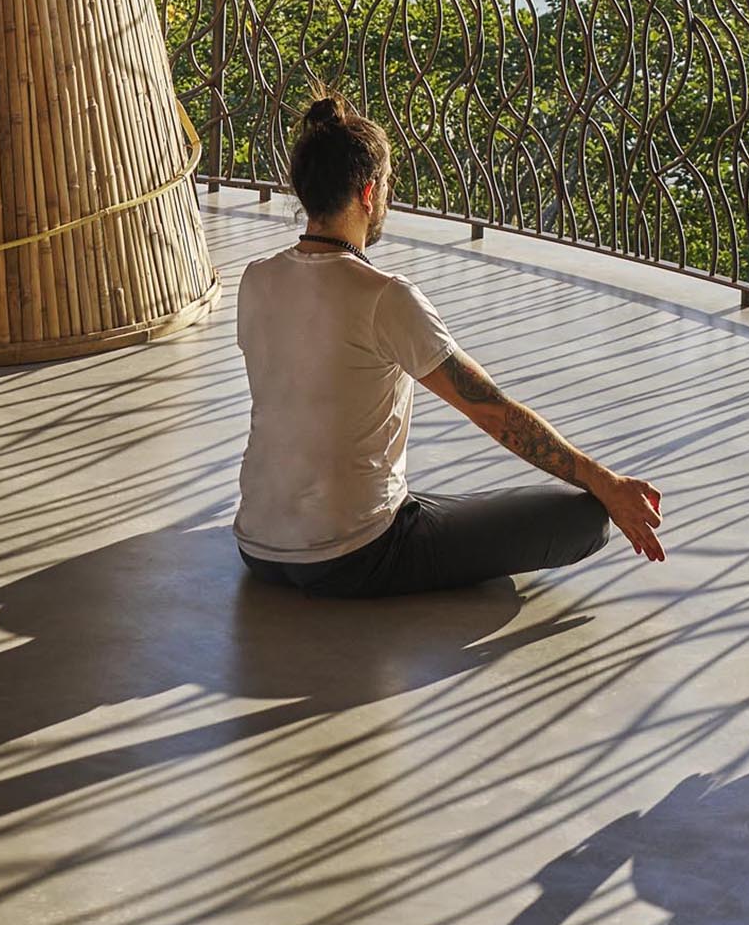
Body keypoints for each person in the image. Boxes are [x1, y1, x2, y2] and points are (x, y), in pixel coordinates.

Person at [232, 92, 667, 596]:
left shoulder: (256, 279)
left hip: (258, 547)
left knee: (430, 505)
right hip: (354, 555)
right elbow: (494, 413)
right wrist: (604, 481)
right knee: (585, 519)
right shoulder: (385, 297)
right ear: (368, 193)